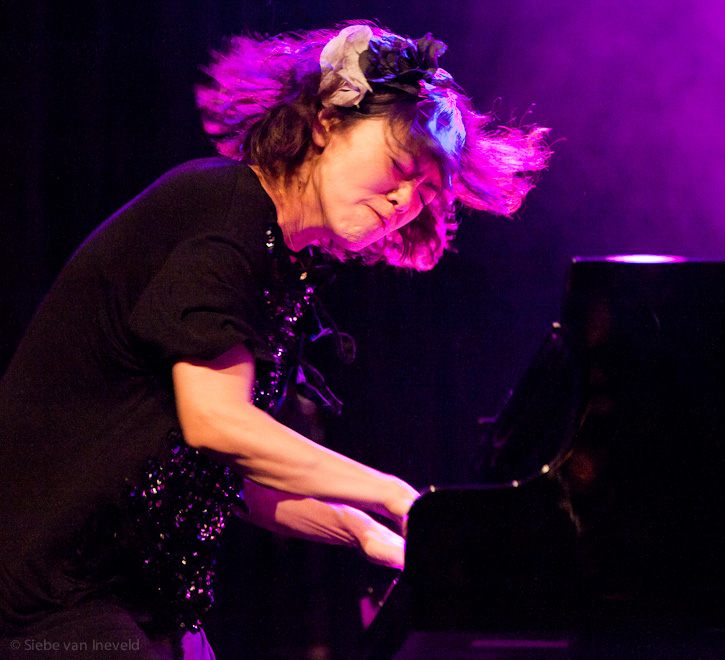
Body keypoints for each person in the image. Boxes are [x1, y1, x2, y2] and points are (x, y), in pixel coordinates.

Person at [0, 21, 549, 659]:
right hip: (45, 595)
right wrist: (397, 496)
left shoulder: (277, 258)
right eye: (401, 166)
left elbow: (225, 474)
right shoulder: (223, 214)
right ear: (324, 123)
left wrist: (366, 535)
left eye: (425, 192)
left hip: (127, 597)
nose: (405, 200)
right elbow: (217, 424)